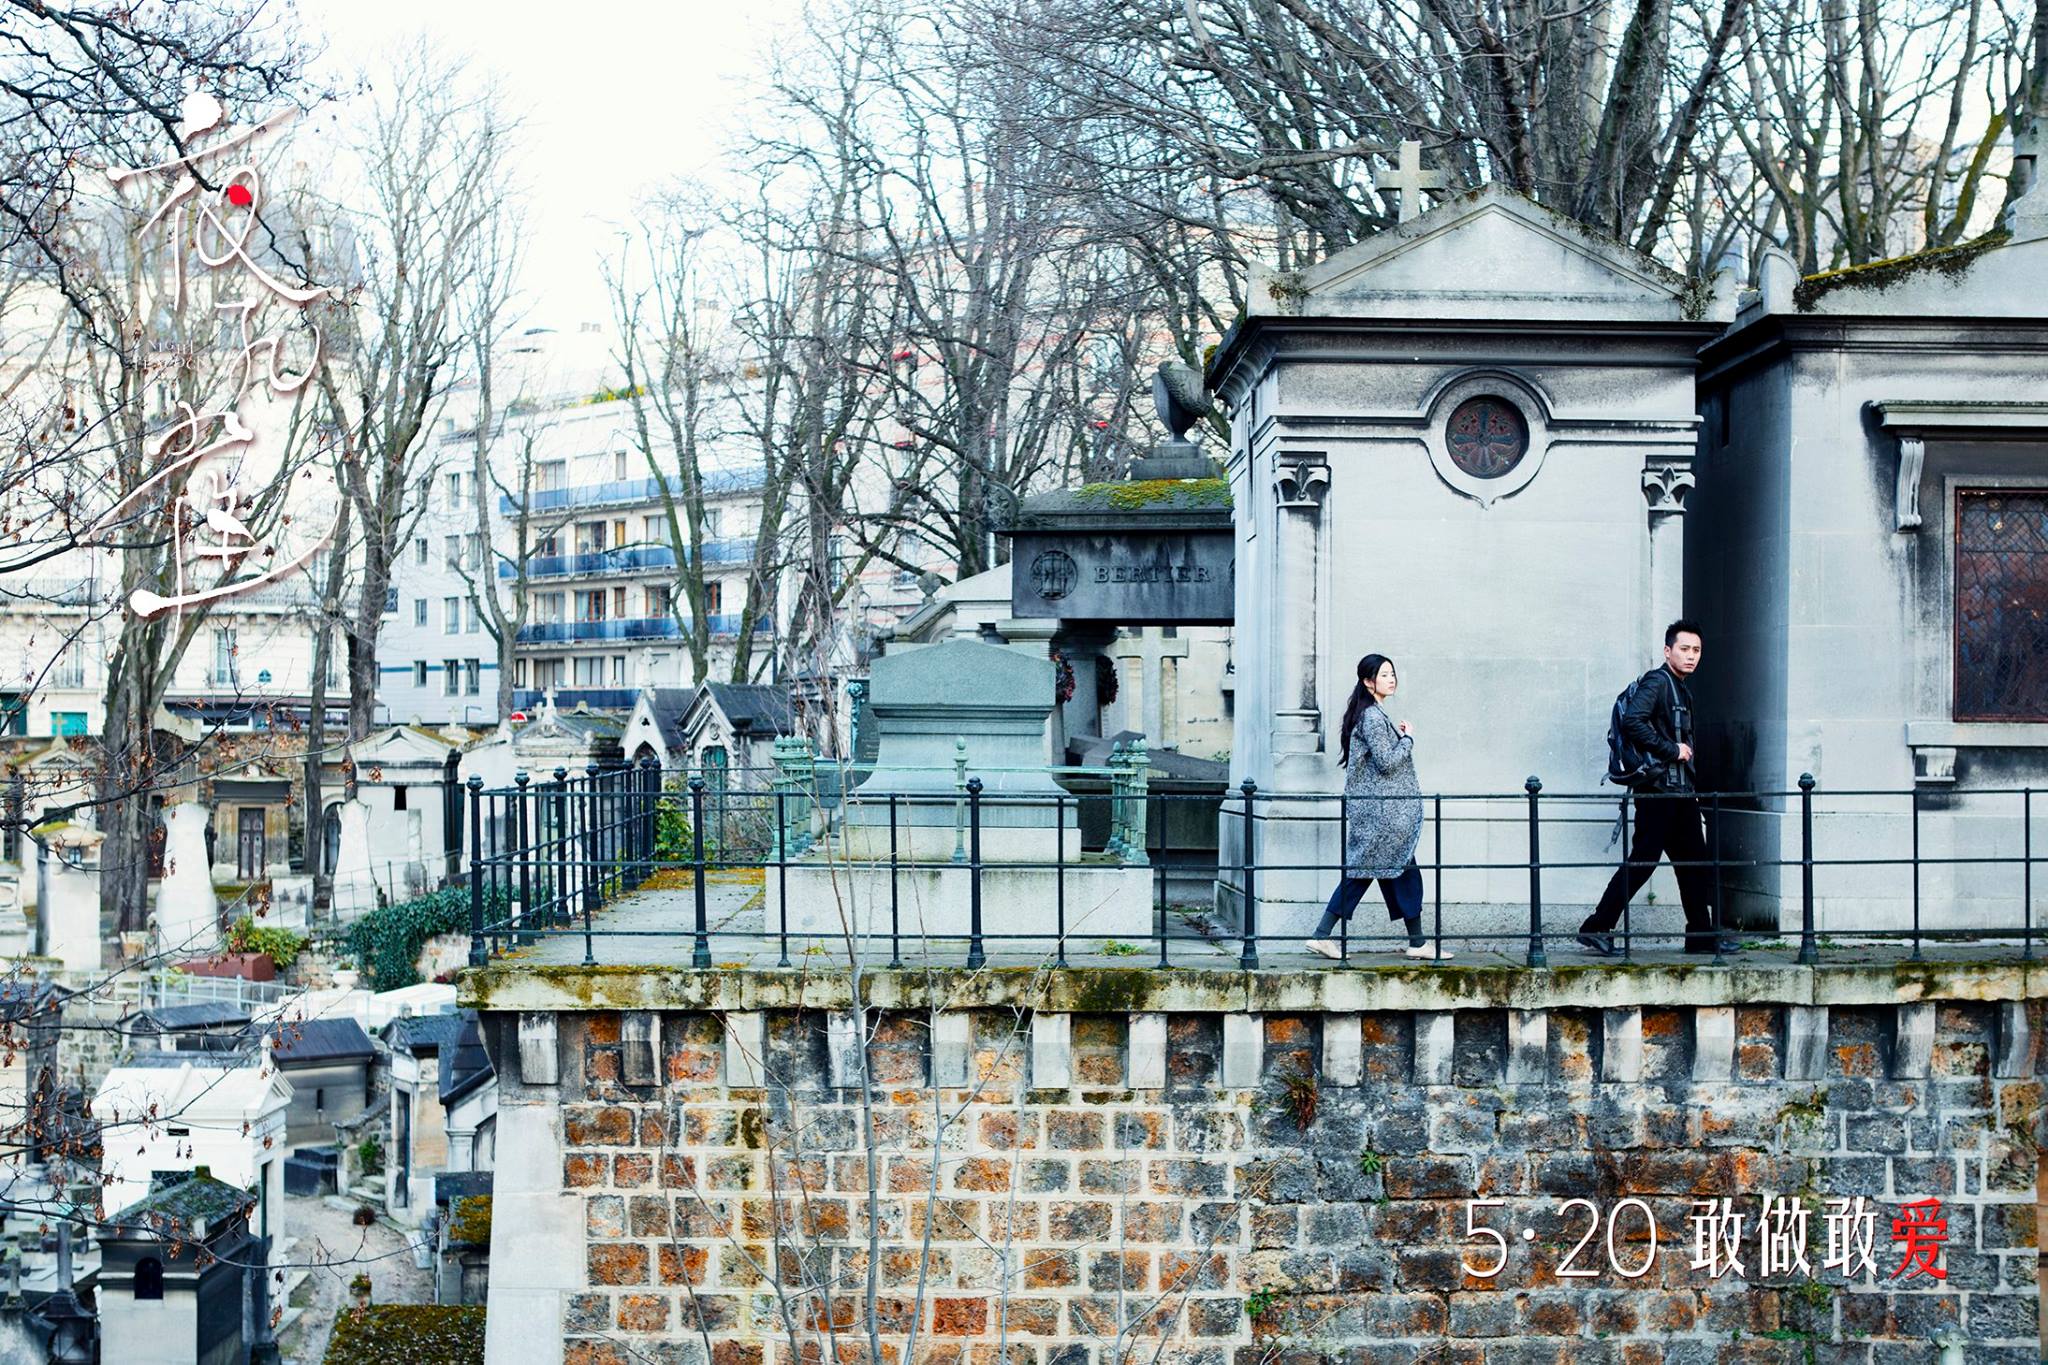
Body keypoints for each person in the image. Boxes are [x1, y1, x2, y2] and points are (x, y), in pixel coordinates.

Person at [1578, 620, 1738, 957]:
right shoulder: (1658, 681)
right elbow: (1632, 721)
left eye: (1696, 650)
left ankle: (1701, 936)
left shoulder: (1680, 687)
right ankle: (1596, 926)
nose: (1691, 656)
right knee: (1643, 861)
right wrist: (1671, 749)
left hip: (1680, 794)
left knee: (1694, 864)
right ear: (1668, 651)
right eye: (1684, 649)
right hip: (1657, 793)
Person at [1305, 654, 1448, 961]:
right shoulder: (1371, 717)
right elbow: (1386, 762)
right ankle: (1323, 935)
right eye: (1384, 675)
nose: (1391, 679)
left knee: (1396, 872)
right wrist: (1408, 739)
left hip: (1380, 814)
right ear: (1368, 682)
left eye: (1392, 673)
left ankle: (1415, 941)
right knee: (1373, 873)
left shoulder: (1372, 714)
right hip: (1382, 815)